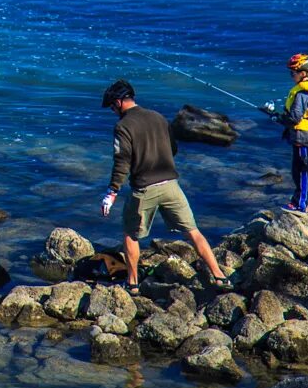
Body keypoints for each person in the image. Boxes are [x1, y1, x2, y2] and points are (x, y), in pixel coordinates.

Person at [98, 79, 231, 293]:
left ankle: (132, 284)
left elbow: (121, 160)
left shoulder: (122, 126)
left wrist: (112, 192)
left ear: (119, 102)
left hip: (144, 189)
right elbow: (173, 148)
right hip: (171, 185)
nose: (113, 111)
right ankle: (219, 276)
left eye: (112, 107)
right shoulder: (158, 117)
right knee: (193, 231)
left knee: (130, 234)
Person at [260, 53, 308, 212]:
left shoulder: (302, 93)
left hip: (302, 135)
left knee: (301, 169)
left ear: (304, 73)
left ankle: (300, 204)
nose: (291, 76)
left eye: (293, 73)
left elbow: (294, 118)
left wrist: (276, 119)